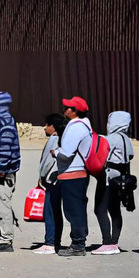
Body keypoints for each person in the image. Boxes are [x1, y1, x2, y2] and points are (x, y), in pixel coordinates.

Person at [54, 96, 94, 257]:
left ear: (75, 111)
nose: (65, 110)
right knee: (77, 209)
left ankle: (78, 244)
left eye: (68, 108)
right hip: (77, 173)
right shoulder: (84, 126)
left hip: (73, 174)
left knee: (73, 211)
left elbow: (66, 152)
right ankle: (79, 241)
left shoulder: (76, 127)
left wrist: (55, 152)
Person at [94, 110, 133, 255]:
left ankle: (107, 242)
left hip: (108, 178)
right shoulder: (126, 139)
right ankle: (115, 242)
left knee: (100, 209)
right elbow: (130, 156)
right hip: (121, 178)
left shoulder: (110, 138)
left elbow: (101, 155)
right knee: (115, 210)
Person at [0, 91, 21, 252]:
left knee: (3, 206)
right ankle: (2, 236)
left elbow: (5, 148)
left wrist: (1, 169)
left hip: (2, 174)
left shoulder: (5, 122)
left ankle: (6, 240)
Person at [35, 113, 67, 255]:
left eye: (47, 125)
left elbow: (48, 161)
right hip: (61, 179)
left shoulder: (54, 139)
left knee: (49, 211)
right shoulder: (63, 138)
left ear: (53, 127)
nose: (44, 128)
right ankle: (56, 241)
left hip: (51, 180)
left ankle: (50, 242)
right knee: (56, 211)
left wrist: (41, 176)